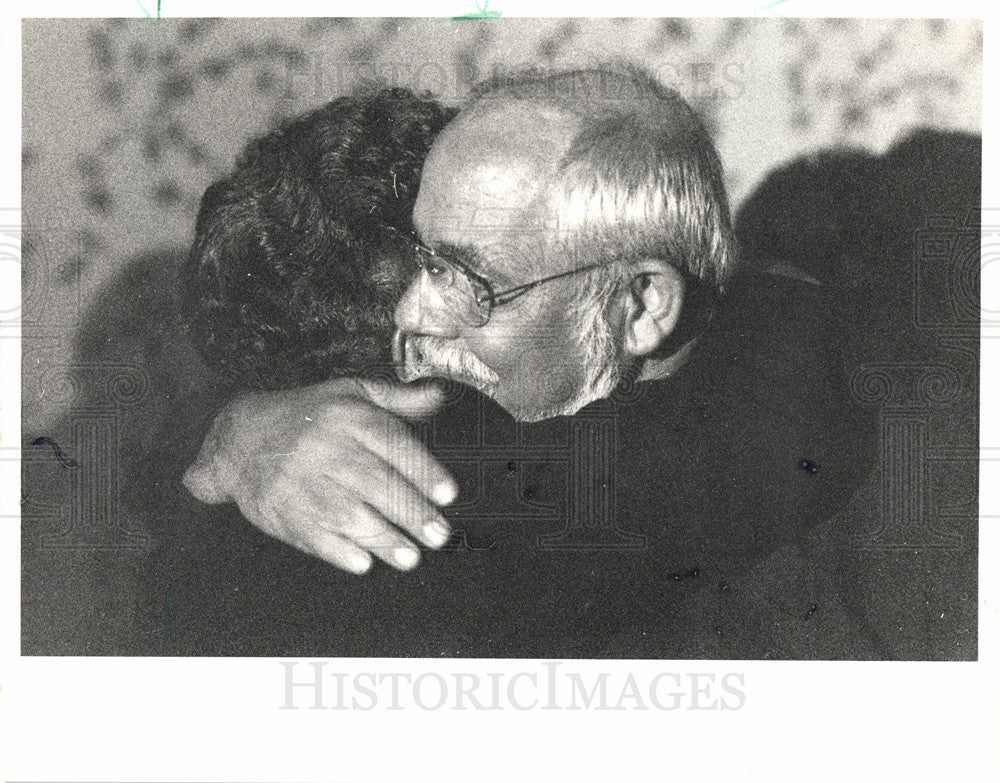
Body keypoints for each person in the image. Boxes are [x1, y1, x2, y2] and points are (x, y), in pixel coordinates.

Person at [174, 66, 888, 658]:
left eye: (470, 282)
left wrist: (240, 434)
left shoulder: (753, 416)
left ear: (640, 306)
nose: (409, 316)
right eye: (425, 260)